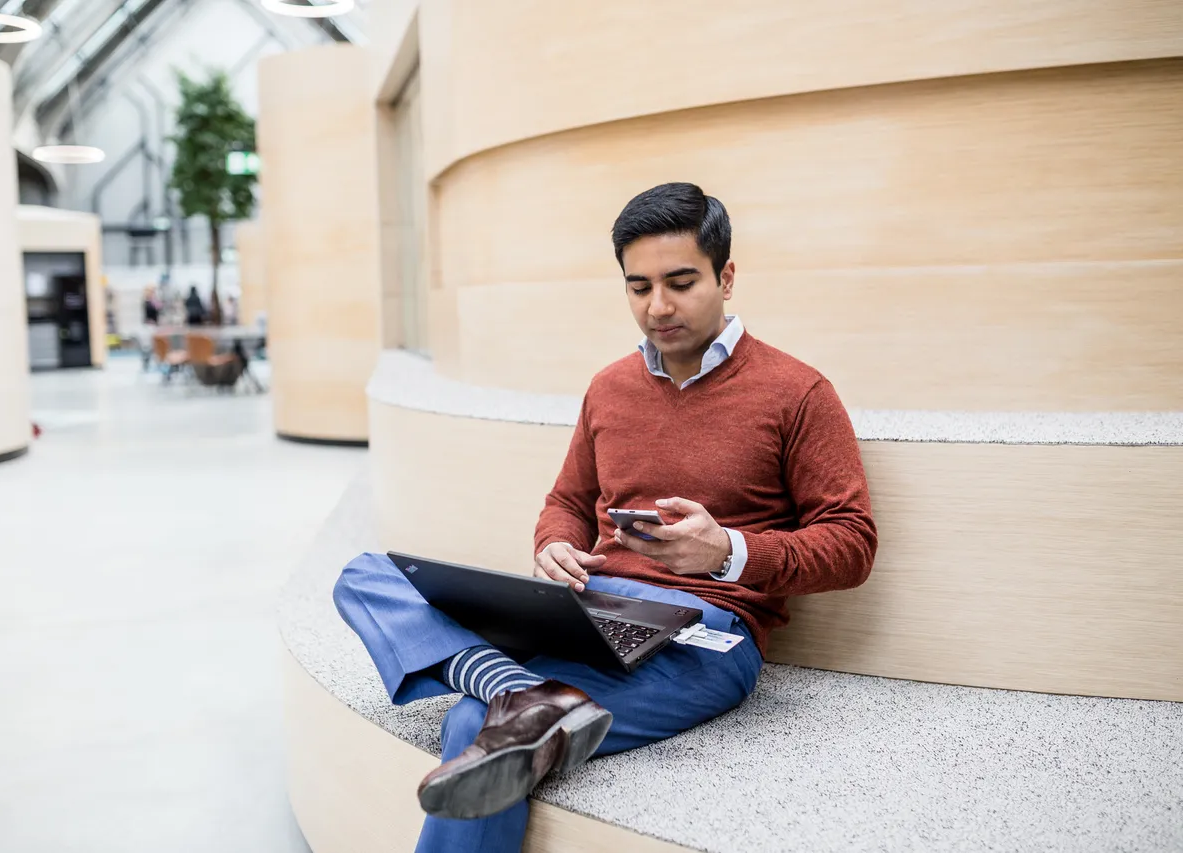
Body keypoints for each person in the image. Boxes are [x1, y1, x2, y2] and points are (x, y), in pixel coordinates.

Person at [332, 182, 878, 853]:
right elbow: (565, 503)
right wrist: (556, 544)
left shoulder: (799, 393)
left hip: (705, 633)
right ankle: (518, 690)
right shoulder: (609, 387)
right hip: (585, 610)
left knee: (475, 725)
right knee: (367, 576)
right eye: (638, 286)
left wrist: (728, 551)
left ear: (726, 276)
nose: (658, 307)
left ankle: (506, 696)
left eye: (680, 282)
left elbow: (852, 543)